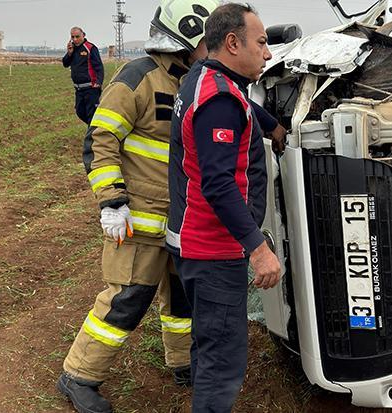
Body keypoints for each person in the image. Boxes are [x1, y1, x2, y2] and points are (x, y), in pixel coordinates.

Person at [55, 2, 221, 413]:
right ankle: (78, 376)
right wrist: (112, 201)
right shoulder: (138, 78)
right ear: (185, 39)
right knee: (126, 299)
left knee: (181, 299)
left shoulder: (196, 81)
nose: (213, 50)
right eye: (208, 41)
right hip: (138, 220)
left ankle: (182, 364)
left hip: (180, 219)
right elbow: (101, 139)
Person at [168, 3, 281, 412]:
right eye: (262, 42)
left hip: (191, 242)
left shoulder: (201, 78)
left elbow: (241, 107)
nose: (268, 53)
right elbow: (218, 183)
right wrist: (258, 246)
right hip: (214, 250)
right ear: (233, 43)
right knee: (223, 362)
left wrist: (270, 124)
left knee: (208, 341)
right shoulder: (219, 98)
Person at [62, 27, 104, 124]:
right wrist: (69, 53)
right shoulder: (72, 49)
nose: (75, 39)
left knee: (91, 114)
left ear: (83, 35)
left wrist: (99, 82)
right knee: (80, 112)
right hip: (79, 89)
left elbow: (99, 67)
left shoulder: (90, 48)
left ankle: (91, 137)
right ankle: (97, 127)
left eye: (77, 36)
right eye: (73, 37)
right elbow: (65, 64)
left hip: (91, 88)